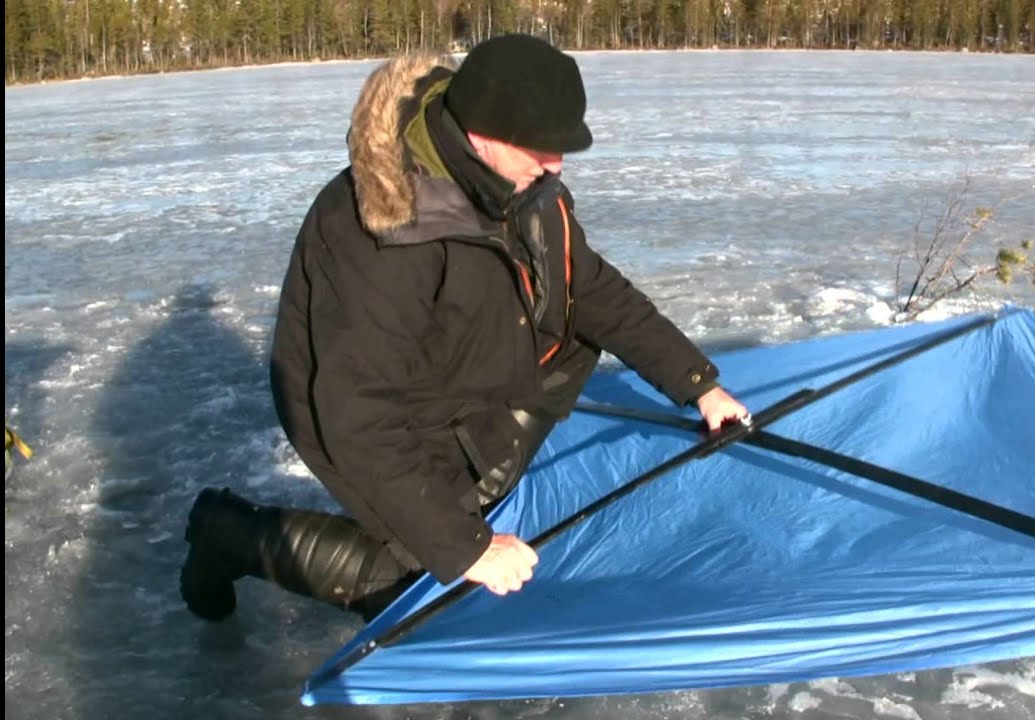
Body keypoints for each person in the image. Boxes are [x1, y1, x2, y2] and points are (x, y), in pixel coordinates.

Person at [179, 33, 748, 623]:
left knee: (454, 530)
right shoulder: (387, 235)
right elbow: (356, 414)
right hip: (362, 406)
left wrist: (697, 383)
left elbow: (592, 288)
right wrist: (467, 548)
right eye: (542, 147)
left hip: (457, 366)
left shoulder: (527, 187)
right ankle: (230, 535)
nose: (556, 164)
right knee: (427, 586)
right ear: (483, 136)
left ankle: (467, 490)